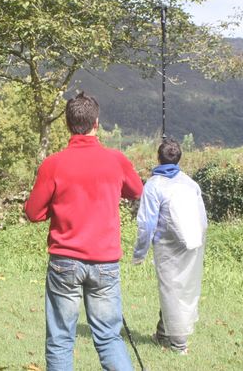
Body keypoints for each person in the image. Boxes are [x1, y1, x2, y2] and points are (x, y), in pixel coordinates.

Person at [24, 92, 143, 371]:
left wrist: (57, 207)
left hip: (64, 262)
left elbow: (33, 212)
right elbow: (137, 191)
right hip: (105, 263)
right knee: (109, 338)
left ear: (67, 125)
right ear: (96, 124)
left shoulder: (53, 164)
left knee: (61, 339)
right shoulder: (116, 160)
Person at [132, 139, 208, 355]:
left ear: (158, 158)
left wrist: (139, 253)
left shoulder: (154, 185)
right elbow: (203, 220)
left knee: (171, 290)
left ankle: (179, 345)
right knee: (181, 289)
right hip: (192, 245)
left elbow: (146, 224)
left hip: (167, 247)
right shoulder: (191, 184)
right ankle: (163, 333)